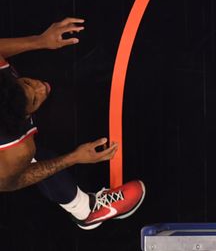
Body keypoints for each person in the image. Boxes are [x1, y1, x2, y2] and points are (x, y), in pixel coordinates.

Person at [0, 18, 145, 230]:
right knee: (36, 157)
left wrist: (40, 41)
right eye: (34, 100)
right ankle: (86, 211)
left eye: (27, 83)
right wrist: (74, 158)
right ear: (20, 117)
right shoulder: (17, 147)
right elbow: (9, 182)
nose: (41, 88)